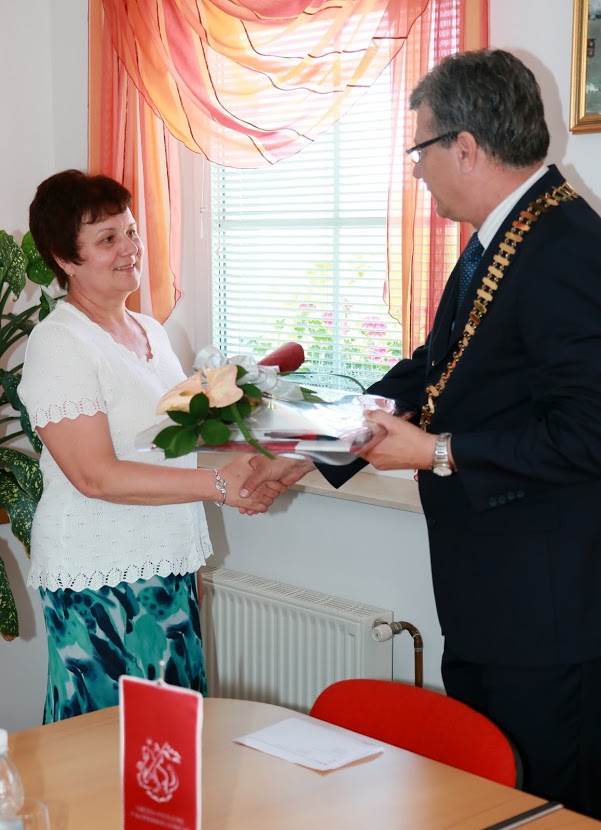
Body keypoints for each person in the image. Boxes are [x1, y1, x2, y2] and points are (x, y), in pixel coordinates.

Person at [241, 49, 601, 818]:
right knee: (480, 802)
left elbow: (588, 434)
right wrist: (308, 451)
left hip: (545, 615)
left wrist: (439, 451)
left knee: (540, 809)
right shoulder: (506, 234)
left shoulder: (566, 247)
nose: (414, 171)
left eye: (419, 150)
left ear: (464, 147)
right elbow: (430, 371)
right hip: (490, 599)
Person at [19, 169, 284, 724]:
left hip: (167, 561)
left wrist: (260, 438)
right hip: (98, 574)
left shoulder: (152, 331)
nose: (130, 248)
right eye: (107, 238)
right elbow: (95, 475)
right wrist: (219, 485)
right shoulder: (59, 342)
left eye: (132, 231)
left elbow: (164, 443)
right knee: (103, 745)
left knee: (172, 737)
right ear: (66, 259)